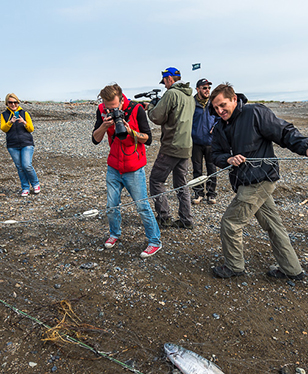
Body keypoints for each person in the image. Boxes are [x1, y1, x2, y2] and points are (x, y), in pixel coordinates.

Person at [209, 83, 308, 280]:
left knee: (230, 223)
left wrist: (307, 148)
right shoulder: (220, 126)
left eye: (223, 105)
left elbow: (284, 132)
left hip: (259, 179)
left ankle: (234, 266)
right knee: (273, 224)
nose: (220, 111)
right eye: (216, 108)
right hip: (244, 181)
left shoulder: (255, 112)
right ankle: (292, 270)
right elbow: (216, 154)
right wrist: (228, 160)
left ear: (234, 99)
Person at [92, 84, 161, 259]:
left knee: (142, 206)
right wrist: (104, 125)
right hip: (114, 166)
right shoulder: (102, 110)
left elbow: (149, 139)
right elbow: (95, 139)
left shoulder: (136, 109)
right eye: (109, 108)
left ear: (122, 99)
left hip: (134, 167)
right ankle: (114, 234)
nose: (112, 110)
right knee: (111, 206)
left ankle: (155, 241)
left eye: (115, 107)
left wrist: (130, 131)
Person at [147, 67, 195, 229]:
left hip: (171, 146)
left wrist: (151, 106)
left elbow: (156, 117)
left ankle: (164, 217)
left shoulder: (171, 94)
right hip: (186, 146)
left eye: (165, 82)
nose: (165, 86)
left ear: (169, 79)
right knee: (181, 184)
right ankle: (186, 219)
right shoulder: (189, 96)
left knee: (156, 180)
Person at [0, 93, 40, 197]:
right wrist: (10, 122)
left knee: (26, 165)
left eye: (15, 102)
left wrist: (24, 122)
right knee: (20, 167)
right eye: (10, 102)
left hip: (26, 143)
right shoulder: (4, 115)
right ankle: (25, 188)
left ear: (18, 102)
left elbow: (31, 129)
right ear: (7, 103)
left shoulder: (24, 113)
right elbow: (3, 129)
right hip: (12, 145)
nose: (13, 104)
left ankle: (35, 184)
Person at [191, 78, 219, 205]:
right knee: (197, 170)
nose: (207, 90)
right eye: (204, 88)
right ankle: (198, 193)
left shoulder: (213, 103)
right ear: (198, 89)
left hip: (210, 142)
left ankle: (211, 194)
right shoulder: (191, 103)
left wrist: (216, 126)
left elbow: (220, 117)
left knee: (211, 169)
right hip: (196, 142)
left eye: (208, 88)